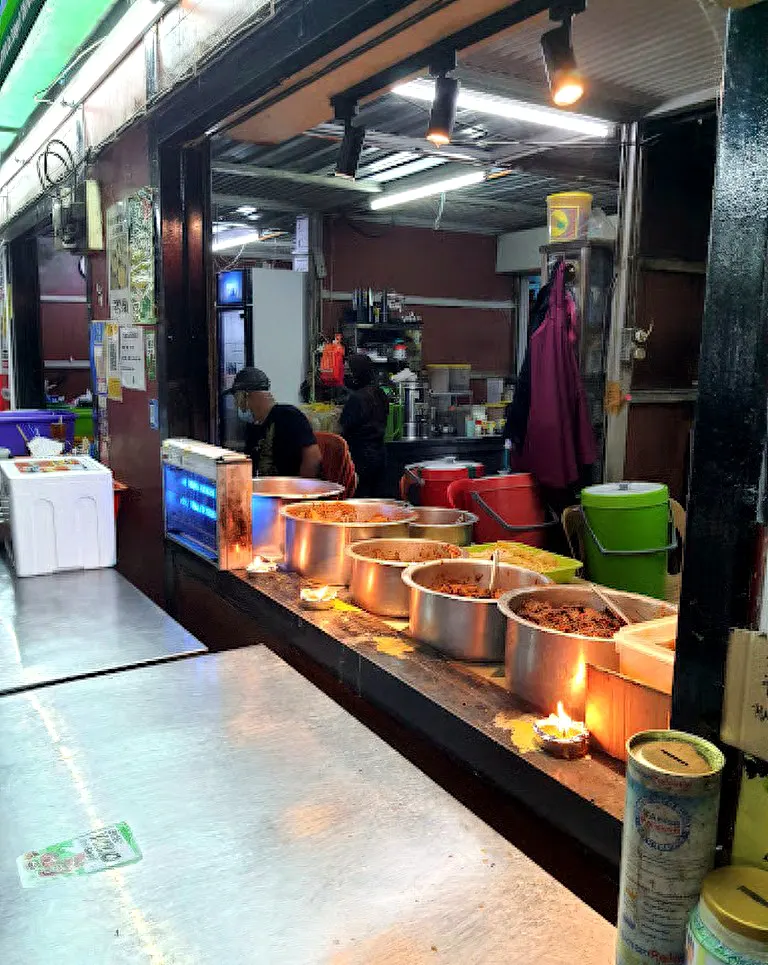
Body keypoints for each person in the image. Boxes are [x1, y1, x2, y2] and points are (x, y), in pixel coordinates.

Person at [226, 367, 322, 478]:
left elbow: (313, 458)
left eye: (237, 399)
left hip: (288, 489)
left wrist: (299, 489)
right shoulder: (254, 428)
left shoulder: (289, 417)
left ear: (245, 396)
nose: (237, 405)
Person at [340, 353, 389, 498]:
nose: (347, 375)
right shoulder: (380, 393)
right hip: (379, 454)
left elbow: (345, 427)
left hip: (361, 458)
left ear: (357, 373)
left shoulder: (357, 398)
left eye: (349, 371)